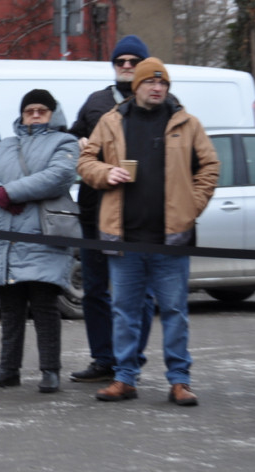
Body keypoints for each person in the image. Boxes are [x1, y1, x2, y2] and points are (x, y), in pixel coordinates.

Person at [78, 58, 219, 406]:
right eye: (150, 83)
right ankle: (124, 378)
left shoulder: (187, 124)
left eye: (163, 84)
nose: (157, 89)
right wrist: (105, 173)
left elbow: (210, 167)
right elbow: (85, 162)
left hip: (170, 240)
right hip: (124, 239)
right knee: (124, 313)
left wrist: (191, 205)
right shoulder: (112, 122)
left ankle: (180, 380)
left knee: (174, 313)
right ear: (137, 86)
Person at [0, 89, 79, 393]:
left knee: (45, 306)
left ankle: (50, 370)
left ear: (52, 113)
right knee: (10, 307)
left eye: (41, 110)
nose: (34, 114)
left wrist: (12, 192)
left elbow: (59, 175)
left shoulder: (65, 142)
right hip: (5, 235)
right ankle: (8, 369)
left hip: (41, 236)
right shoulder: (6, 145)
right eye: (29, 110)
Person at [68, 35, 156, 383]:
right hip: (94, 210)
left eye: (134, 61)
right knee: (94, 290)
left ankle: (132, 355)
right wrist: (76, 142)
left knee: (141, 293)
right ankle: (104, 358)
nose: (127, 67)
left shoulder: (163, 102)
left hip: (141, 214)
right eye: (121, 61)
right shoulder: (96, 103)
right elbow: (71, 139)